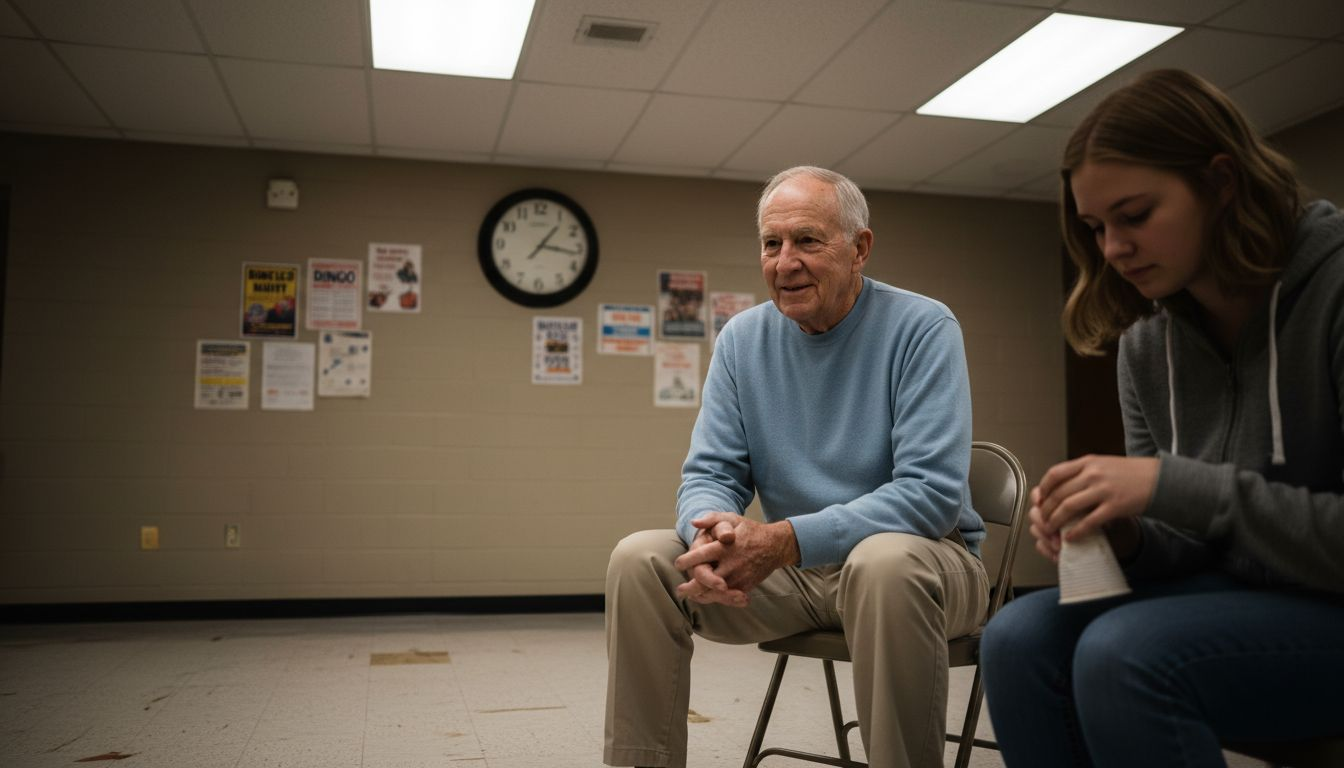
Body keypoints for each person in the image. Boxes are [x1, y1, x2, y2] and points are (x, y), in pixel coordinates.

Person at [980, 69, 1344, 767]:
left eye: (1135, 215)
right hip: (1243, 593)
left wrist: (1167, 484)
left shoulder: (1333, 290)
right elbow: (1188, 537)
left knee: (1125, 655)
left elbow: (1193, 497)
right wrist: (1123, 533)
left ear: (1221, 181)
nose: (1112, 248)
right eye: (1095, 227)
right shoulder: (1148, 346)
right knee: (1017, 638)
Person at [604, 166, 989, 768]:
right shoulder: (741, 339)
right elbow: (711, 470)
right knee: (638, 559)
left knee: (882, 562)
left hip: (924, 565)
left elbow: (929, 496)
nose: (785, 263)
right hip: (798, 574)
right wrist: (712, 532)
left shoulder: (923, 327)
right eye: (771, 243)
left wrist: (782, 540)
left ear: (859, 248)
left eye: (808, 240)